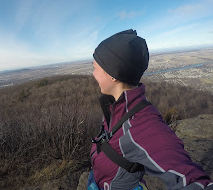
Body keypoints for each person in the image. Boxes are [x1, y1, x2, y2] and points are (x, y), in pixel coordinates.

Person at [88, 29, 213, 190]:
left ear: (113, 74)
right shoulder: (115, 106)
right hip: (97, 181)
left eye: (95, 67)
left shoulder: (142, 124)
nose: (93, 74)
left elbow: (190, 179)